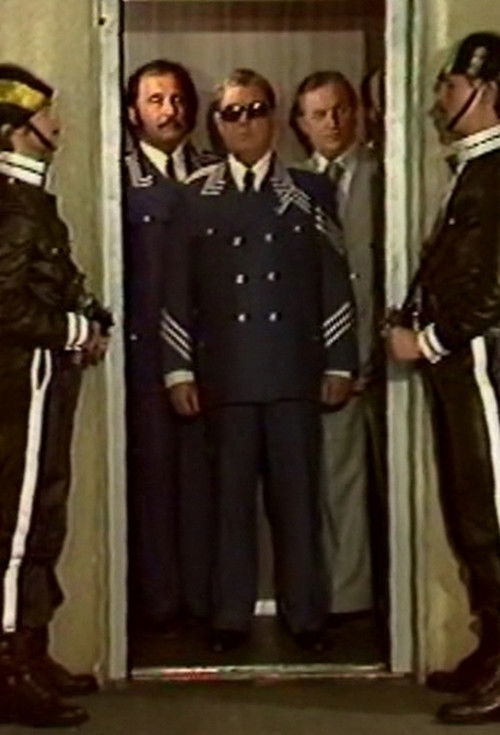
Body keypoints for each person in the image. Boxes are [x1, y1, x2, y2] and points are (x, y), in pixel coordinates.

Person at [162, 68, 358, 653]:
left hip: (294, 371)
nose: (244, 123)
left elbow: (335, 281)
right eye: (232, 113)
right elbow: (177, 291)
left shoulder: (308, 190)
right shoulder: (195, 196)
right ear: (217, 125)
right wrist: (178, 369)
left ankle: (307, 617)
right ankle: (230, 617)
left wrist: (340, 362)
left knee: (297, 502)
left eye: (255, 110)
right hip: (226, 375)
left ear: (274, 118)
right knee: (229, 505)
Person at [386, 32, 500, 725]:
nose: (439, 100)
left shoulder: (495, 173)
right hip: (466, 366)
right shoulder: (478, 169)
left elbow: (490, 290)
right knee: (473, 515)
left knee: (493, 513)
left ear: (486, 92)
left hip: (486, 367)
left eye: (451, 86)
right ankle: (493, 647)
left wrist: (426, 340)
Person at [0, 64, 112, 727]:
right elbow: (6, 304)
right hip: (21, 382)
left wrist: (86, 317)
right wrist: (73, 330)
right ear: (18, 128)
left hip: (40, 379)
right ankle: (8, 667)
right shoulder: (12, 205)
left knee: (41, 515)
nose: (58, 126)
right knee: (15, 527)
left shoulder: (29, 200)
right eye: (47, 115)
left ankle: (31, 650)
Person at [125, 59, 216, 629]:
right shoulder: (122, 180)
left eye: (177, 99)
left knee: (207, 482)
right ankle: (159, 605)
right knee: (154, 479)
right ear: (134, 112)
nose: (169, 110)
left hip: (212, 355)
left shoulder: (212, 172)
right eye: (155, 100)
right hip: (146, 358)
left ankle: (205, 602)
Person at [290, 71, 385, 618]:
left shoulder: (382, 175)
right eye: (319, 114)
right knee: (334, 480)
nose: (332, 122)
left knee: (392, 482)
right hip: (325, 359)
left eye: (341, 110)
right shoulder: (293, 186)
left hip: (382, 352)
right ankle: (345, 600)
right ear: (301, 124)